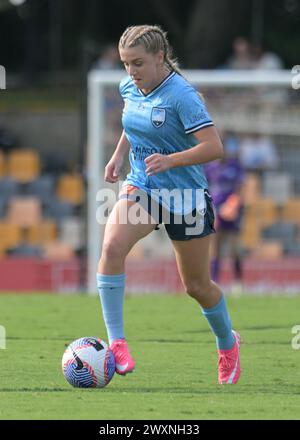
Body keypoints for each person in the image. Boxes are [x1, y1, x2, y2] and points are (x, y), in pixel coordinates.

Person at [96, 25, 241, 384]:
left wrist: (171, 160)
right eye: (126, 63)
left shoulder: (183, 96)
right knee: (112, 246)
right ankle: (117, 344)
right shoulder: (129, 85)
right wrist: (118, 156)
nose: (131, 71)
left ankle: (227, 343)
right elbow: (134, 121)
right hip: (142, 185)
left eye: (139, 63)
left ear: (160, 56)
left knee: (196, 286)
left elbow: (214, 147)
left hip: (185, 197)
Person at [205, 133, 245, 291]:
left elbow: (240, 189)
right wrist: (212, 209)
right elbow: (205, 190)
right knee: (215, 247)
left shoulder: (235, 166)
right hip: (215, 211)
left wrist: (233, 204)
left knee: (235, 247)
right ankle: (215, 282)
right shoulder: (209, 168)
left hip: (232, 211)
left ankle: (238, 282)